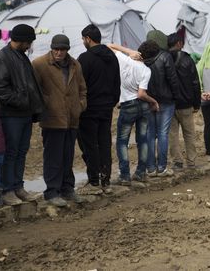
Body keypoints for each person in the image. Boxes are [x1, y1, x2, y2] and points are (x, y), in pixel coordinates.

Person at [0, 24, 43, 206]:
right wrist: (22, 101)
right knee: (10, 152)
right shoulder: (2, 58)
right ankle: (7, 190)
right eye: (28, 42)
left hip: (25, 114)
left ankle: (18, 186)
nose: (29, 46)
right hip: (11, 115)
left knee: (21, 152)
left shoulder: (21, 56)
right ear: (21, 41)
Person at [32, 34, 87, 207]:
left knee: (67, 156)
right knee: (53, 157)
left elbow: (82, 88)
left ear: (67, 50)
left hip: (71, 119)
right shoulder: (40, 64)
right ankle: (52, 192)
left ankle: (68, 189)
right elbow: (35, 90)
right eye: (56, 48)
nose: (58, 52)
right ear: (51, 48)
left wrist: (80, 105)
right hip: (52, 119)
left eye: (62, 49)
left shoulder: (75, 64)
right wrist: (47, 105)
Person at [77, 24, 121, 195]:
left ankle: (94, 179)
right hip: (106, 108)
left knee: (90, 144)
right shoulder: (111, 56)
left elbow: (80, 85)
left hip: (89, 109)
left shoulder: (85, 58)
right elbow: (117, 81)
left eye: (83, 39)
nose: (82, 42)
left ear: (88, 39)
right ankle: (106, 179)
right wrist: (113, 100)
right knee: (104, 143)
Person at [107, 42, 159, 186]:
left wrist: (128, 51)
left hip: (128, 105)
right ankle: (140, 172)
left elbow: (108, 45)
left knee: (122, 141)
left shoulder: (124, 60)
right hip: (143, 107)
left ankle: (125, 175)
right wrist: (153, 101)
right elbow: (142, 94)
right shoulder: (146, 71)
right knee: (142, 140)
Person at [143, 32, 180, 177]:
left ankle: (150, 168)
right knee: (163, 134)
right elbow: (173, 79)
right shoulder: (166, 57)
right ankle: (162, 167)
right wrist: (176, 97)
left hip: (147, 100)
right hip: (166, 101)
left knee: (150, 134)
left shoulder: (142, 58)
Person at [167, 33, 201, 171]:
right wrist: (196, 103)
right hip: (186, 104)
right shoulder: (187, 59)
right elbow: (195, 83)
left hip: (170, 104)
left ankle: (177, 162)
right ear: (179, 44)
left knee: (172, 135)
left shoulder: (164, 58)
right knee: (189, 133)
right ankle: (191, 161)